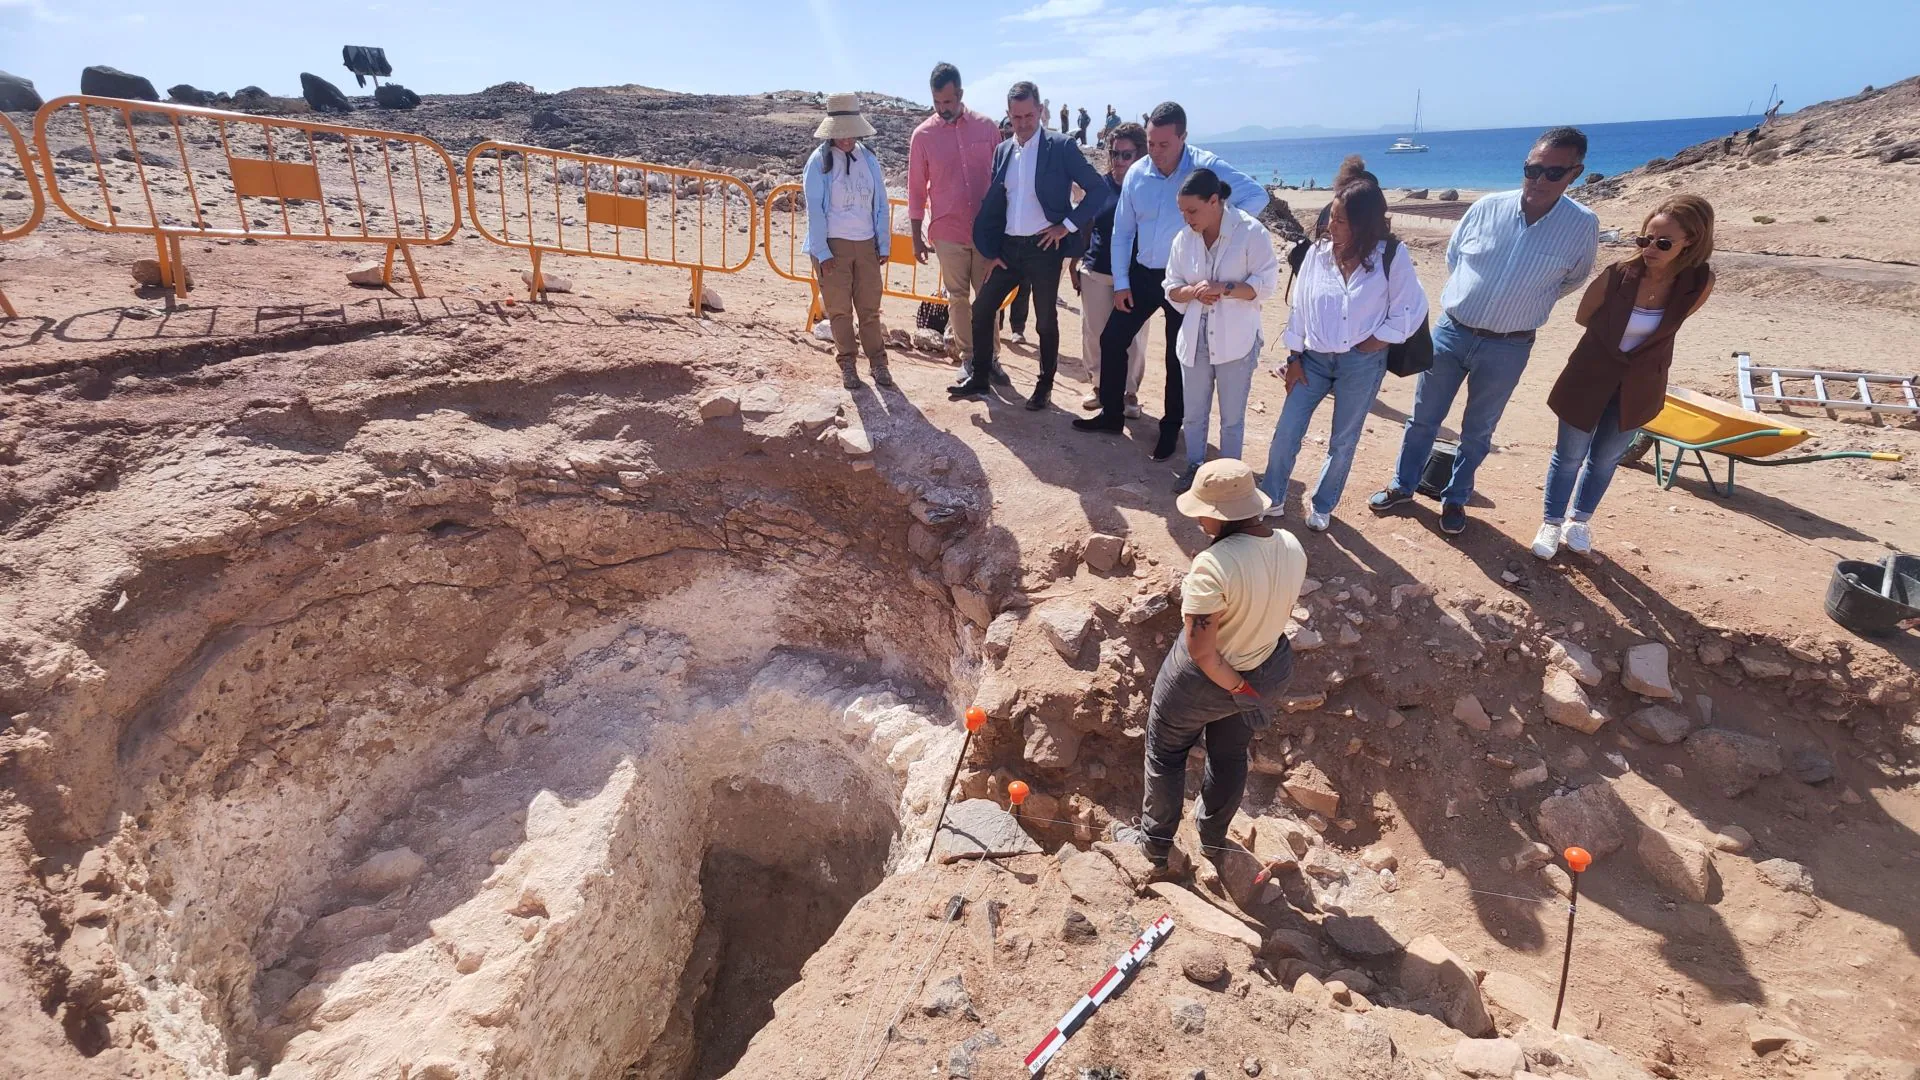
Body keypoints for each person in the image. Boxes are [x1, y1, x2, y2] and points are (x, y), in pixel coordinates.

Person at [1367, 126, 1599, 536]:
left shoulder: (1581, 225)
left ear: (1575, 174)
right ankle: (1403, 485)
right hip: (1452, 332)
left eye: (1553, 173)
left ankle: (1455, 499)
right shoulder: (1487, 207)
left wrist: (1521, 305)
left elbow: (1573, 280)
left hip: (1509, 347)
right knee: (1423, 418)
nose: (1538, 180)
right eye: (1532, 169)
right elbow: (1456, 259)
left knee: (1478, 431)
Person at [1132, 458, 1305, 871]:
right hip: (1267, 667)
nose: (1199, 521)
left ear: (1222, 515)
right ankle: (1212, 837)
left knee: (1165, 753)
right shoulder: (1291, 545)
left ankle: (1154, 846)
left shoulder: (1214, 565)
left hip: (1211, 681)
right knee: (1229, 754)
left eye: (1203, 512)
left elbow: (1203, 652)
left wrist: (1238, 688)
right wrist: (1249, 693)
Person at [1073, 101, 1269, 463]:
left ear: (1183, 138)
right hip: (1144, 275)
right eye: (1151, 143)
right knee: (1112, 339)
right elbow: (1122, 231)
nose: (1156, 152)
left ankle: (1170, 428)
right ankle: (1112, 415)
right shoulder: (1137, 174)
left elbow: (1257, 195)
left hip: (1189, 277)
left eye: (1165, 144)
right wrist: (1120, 283)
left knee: (1178, 355)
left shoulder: (1204, 166)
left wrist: (1219, 228)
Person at [1533, 195, 1716, 559]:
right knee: (1569, 456)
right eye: (1644, 239)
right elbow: (1584, 316)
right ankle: (1552, 523)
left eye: (1662, 243)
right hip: (1589, 376)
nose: (1650, 248)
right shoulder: (1617, 274)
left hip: (1640, 385)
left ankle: (1578, 521)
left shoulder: (1699, 283)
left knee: (1605, 459)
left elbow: (1673, 325)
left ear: (1690, 241)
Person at [1261, 179, 1428, 530]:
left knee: (1343, 440)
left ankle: (1322, 506)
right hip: (1313, 359)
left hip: (1362, 365)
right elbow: (1301, 307)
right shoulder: (1318, 254)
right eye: (1330, 219)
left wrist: (1375, 342)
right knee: (1287, 431)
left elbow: (1410, 309)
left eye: (1340, 222)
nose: (1330, 228)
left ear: (1364, 224)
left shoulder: (1391, 255)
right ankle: (1273, 498)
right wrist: (1293, 358)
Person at [949, 81, 1110, 410]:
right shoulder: (1003, 150)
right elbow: (997, 206)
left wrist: (1065, 228)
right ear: (1008, 115)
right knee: (981, 309)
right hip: (1008, 248)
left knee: (1045, 320)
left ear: (1040, 112)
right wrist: (992, 251)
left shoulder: (1061, 146)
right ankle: (980, 375)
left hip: (1044, 247)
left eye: (1029, 115)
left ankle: (1044, 386)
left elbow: (1098, 190)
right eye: (1016, 116)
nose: (1022, 123)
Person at [1165, 169, 1279, 494]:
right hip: (1194, 338)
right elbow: (1171, 287)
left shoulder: (1250, 232)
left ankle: (1230, 481)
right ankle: (1195, 469)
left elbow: (1266, 285)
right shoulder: (1183, 239)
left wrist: (1223, 288)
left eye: (1193, 211)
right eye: (1182, 212)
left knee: (1232, 418)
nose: (1187, 219)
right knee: (1194, 414)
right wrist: (1194, 292)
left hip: (1236, 341)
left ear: (1214, 201)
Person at [908, 63, 1009, 387]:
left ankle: (990, 359)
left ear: (961, 94)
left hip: (985, 233)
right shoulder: (922, 136)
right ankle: (968, 359)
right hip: (947, 232)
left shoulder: (987, 128)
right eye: (938, 103)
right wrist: (915, 237)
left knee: (988, 298)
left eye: (948, 102)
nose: (943, 109)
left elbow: (1004, 181)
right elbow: (915, 188)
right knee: (957, 297)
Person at [803, 93, 893, 390]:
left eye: (849, 131)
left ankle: (878, 363)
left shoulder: (868, 158)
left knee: (869, 309)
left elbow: (880, 203)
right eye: (839, 132)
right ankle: (848, 364)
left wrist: (883, 243)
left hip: (866, 244)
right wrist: (822, 251)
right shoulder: (818, 162)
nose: (845, 138)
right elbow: (814, 210)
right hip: (833, 247)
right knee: (840, 310)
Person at [1072, 122, 1150, 416]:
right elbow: (1086, 226)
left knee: (1134, 336)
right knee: (1094, 332)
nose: (1118, 161)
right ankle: (1099, 387)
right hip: (1096, 269)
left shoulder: (1148, 189)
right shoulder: (1100, 187)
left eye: (1126, 155)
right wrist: (1073, 264)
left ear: (1140, 154)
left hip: (1136, 275)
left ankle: (1129, 393)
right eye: (1114, 154)